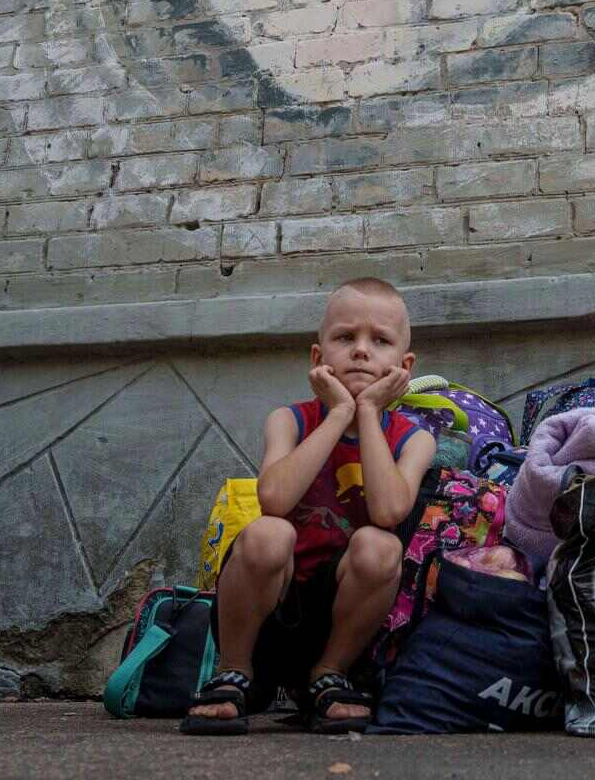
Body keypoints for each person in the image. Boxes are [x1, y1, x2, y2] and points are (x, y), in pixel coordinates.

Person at [181, 278, 436, 735]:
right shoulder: (290, 419)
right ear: (318, 359)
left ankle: (329, 674)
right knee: (268, 532)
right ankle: (232, 673)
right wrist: (339, 413)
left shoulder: (415, 439)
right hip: (267, 618)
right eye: (345, 338)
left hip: (340, 626)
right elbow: (274, 499)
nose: (361, 351)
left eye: (379, 341)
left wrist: (369, 415)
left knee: (380, 546)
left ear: (404, 365)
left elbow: (389, 513)